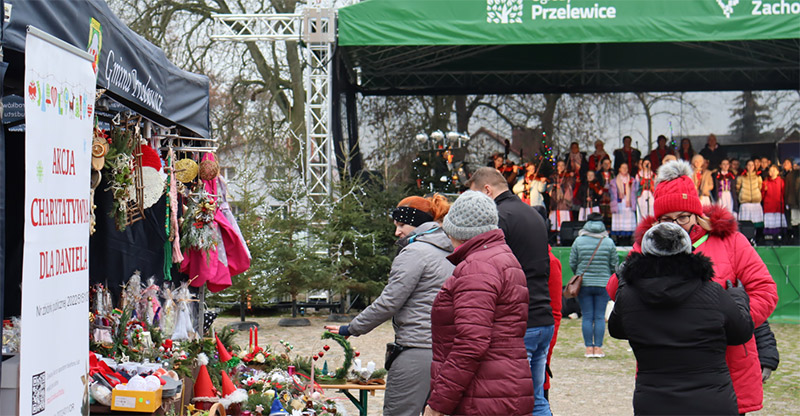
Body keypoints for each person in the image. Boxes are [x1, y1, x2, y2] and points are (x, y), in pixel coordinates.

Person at [607, 160, 779, 414]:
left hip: (723, 369)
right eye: (667, 219)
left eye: (683, 217)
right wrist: (642, 251)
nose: (676, 226)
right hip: (664, 370)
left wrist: (729, 322)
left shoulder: (730, 241)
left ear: (697, 214)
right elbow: (616, 291)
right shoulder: (649, 246)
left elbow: (765, 290)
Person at [325, 194, 453, 416]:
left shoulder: (415, 252)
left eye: (401, 225)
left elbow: (388, 302)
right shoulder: (448, 250)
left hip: (415, 351)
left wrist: (351, 328)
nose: (397, 232)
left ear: (418, 223)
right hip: (444, 353)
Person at [608, 222, 754, 416]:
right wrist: (739, 297)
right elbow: (742, 332)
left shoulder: (630, 296)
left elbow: (616, 330)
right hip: (712, 403)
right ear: (688, 251)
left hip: (654, 403)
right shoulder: (713, 292)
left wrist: (623, 288)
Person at [424, 191, 534, 416]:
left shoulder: (478, 267)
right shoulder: (503, 257)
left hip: (482, 393)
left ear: (459, 231)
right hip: (502, 385)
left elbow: (471, 343)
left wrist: (438, 404)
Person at [467, 167, 553, 416]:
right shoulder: (531, 213)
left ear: (486, 190)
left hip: (518, 321)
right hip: (542, 316)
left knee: (510, 401)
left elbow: (492, 269)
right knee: (536, 400)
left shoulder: (498, 218)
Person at [569, 213, 618, 358]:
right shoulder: (608, 242)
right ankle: (598, 348)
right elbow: (614, 264)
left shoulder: (579, 241)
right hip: (603, 284)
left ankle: (588, 349)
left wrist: (579, 273)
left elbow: (573, 262)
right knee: (599, 317)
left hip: (584, 284)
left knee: (587, 316)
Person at [609, 163, 636, 243]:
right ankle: (619, 238)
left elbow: (634, 191)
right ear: (619, 169)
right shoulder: (614, 181)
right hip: (619, 203)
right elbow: (611, 193)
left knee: (628, 221)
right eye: (623, 167)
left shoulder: (632, 180)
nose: (624, 169)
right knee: (619, 220)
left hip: (628, 203)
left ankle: (628, 239)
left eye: (626, 168)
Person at [737, 160, 765, 230]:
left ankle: (756, 238)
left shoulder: (758, 177)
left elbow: (760, 187)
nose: (750, 167)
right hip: (745, 203)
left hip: (756, 203)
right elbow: (737, 189)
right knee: (745, 224)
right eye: (749, 165)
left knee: (757, 223)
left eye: (752, 165)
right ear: (746, 166)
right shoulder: (741, 177)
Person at [548, 160, 574, 232]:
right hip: (555, 201)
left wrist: (570, 177)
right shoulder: (553, 176)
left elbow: (571, 185)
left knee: (563, 220)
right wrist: (554, 185)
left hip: (564, 202)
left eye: (563, 165)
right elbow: (549, 187)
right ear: (557, 167)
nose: (561, 167)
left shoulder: (567, 176)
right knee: (554, 221)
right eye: (559, 165)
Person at [762, 164, 786, 239]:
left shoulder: (781, 182)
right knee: (770, 222)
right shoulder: (765, 182)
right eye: (770, 170)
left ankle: (779, 236)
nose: (772, 172)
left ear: (778, 172)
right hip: (768, 206)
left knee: (778, 222)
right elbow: (762, 195)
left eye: (774, 170)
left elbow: (784, 193)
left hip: (778, 205)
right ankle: (769, 236)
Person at [783, 158, 800, 244]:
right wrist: (787, 201)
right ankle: (797, 238)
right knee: (795, 221)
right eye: (795, 165)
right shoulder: (789, 176)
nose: (796, 167)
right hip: (793, 202)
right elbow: (787, 190)